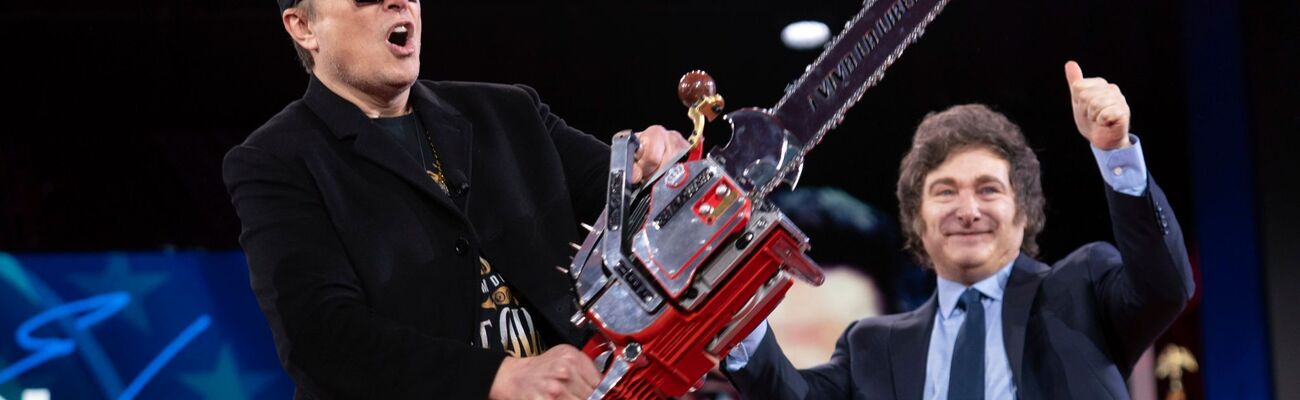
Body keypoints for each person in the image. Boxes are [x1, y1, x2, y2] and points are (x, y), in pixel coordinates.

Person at [222, 0, 688, 398]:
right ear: (304, 28)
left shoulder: (510, 111)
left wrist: (649, 165)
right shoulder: (275, 161)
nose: (397, 1)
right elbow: (321, 335)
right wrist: (497, 378)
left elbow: (629, 196)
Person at [722, 61, 1194, 399]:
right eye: (945, 192)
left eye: (988, 190)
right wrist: (732, 303)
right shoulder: (871, 346)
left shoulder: (1083, 288)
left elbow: (1164, 287)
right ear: (917, 221)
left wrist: (1115, 152)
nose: (967, 210)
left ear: (1023, 211)